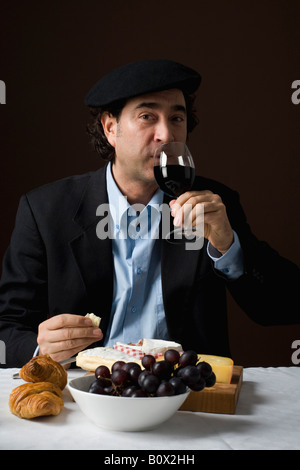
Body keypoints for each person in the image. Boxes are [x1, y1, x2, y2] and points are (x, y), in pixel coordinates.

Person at [0, 59, 299, 368]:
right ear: (110, 128)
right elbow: (7, 328)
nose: (166, 134)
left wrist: (228, 246)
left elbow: (283, 307)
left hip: (184, 395)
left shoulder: (214, 205)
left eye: (177, 118)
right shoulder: (45, 210)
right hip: (82, 394)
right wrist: (40, 350)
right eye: (147, 116)